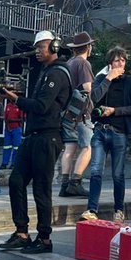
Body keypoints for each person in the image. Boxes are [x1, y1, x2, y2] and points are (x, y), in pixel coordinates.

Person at [0, 30, 73, 254]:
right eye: (37, 47)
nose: (37, 51)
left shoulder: (57, 73)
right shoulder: (46, 71)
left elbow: (41, 106)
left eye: (41, 46)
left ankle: (44, 238)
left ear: (54, 47)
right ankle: (22, 232)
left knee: (41, 188)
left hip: (48, 136)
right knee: (17, 182)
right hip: (33, 136)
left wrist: (16, 99)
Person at [81, 45, 131, 222]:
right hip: (101, 131)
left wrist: (114, 110)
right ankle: (92, 210)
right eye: (117, 60)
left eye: (123, 60)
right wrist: (108, 78)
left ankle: (118, 209)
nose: (120, 63)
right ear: (110, 63)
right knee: (95, 172)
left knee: (118, 174)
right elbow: (93, 98)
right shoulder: (101, 78)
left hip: (119, 132)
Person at [57, 31, 94, 197]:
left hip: (66, 112)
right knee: (87, 147)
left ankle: (64, 185)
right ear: (87, 47)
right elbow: (87, 88)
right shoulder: (83, 64)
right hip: (81, 113)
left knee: (69, 148)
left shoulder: (69, 63)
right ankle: (76, 182)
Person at [1, 95, 23, 169]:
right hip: (8, 129)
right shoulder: (8, 106)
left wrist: (12, 121)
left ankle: (14, 163)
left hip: (17, 129)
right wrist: (7, 126)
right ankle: (4, 163)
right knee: (6, 147)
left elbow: (22, 119)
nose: (11, 99)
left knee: (16, 147)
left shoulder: (20, 106)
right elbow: (5, 118)